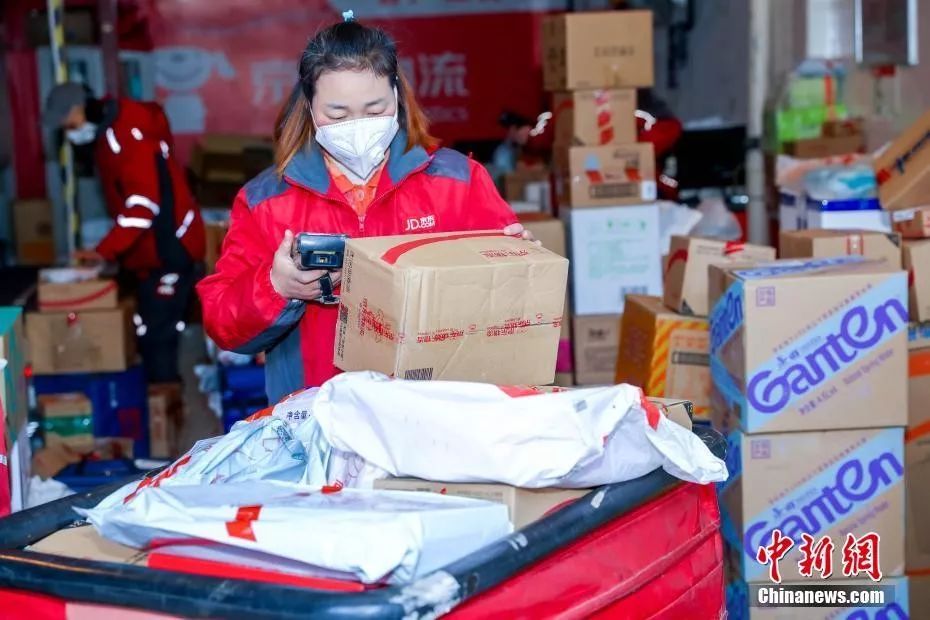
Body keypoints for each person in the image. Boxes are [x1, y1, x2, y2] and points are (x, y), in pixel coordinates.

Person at [197, 16, 529, 403]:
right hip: (320, 418)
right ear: (309, 107)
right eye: (338, 115)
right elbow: (221, 322)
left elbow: (516, 307)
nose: (357, 127)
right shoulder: (267, 202)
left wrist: (517, 262)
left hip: (436, 414)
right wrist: (276, 287)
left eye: (374, 110)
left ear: (397, 96)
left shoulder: (458, 182)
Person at [43, 83, 206, 383]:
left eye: (69, 123)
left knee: (158, 334)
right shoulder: (110, 135)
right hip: (152, 250)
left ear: (80, 109)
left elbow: (142, 206)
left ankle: (163, 400)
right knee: (149, 328)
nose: (69, 132)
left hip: (170, 248)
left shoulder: (127, 134)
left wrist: (104, 251)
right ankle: (159, 397)